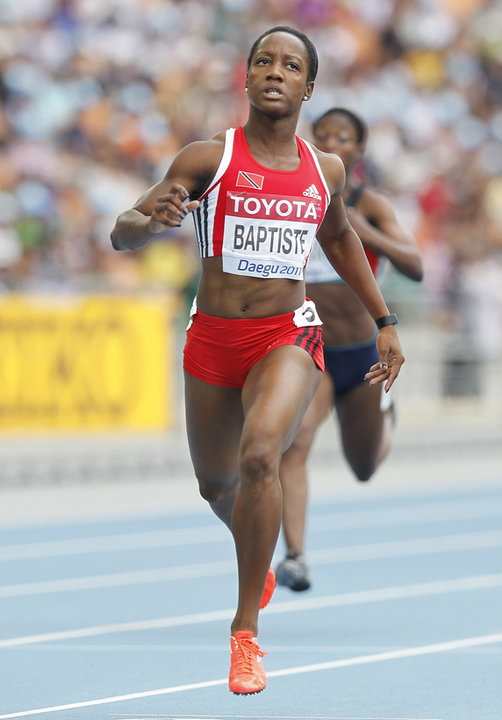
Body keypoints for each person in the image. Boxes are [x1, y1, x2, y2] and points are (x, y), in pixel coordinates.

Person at [110, 29, 404, 696]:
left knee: (261, 456)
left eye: (291, 65)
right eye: (264, 61)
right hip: (213, 339)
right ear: (246, 79)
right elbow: (120, 231)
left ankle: (245, 635)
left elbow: (341, 239)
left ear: (308, 87)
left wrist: (385, 319)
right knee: (218, 487)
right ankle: (258, 552)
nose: (276, 72)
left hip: (288, 336)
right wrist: (148, 219)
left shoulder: (324, 170)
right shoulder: (208, 158)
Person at [276, 107, 423, 592]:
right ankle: (295, 556)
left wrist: (362, 228)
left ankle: (386, 417)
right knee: (293, 446)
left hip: (361, 355)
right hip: (310, 350)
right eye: (323, 135)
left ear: (358, 150)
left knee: (362, 467)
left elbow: (415, 266)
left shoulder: (369, 203)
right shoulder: (297, 190)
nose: (333, 141)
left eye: (344, 136)